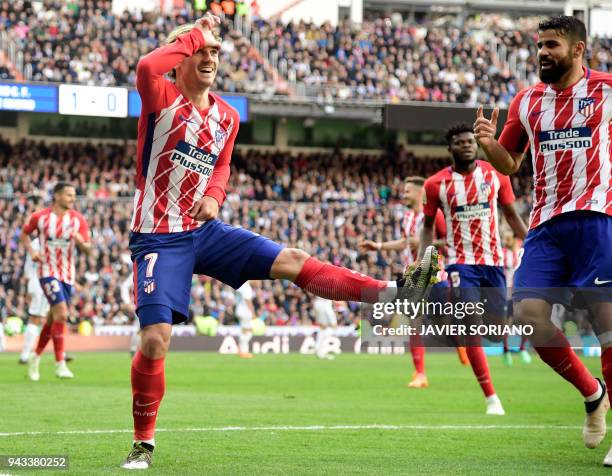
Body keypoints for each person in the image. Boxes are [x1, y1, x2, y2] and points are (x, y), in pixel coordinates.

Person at [121, 13, 435, 469]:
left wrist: (214, 194)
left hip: (204, 231)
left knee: (292, 258)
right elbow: (146, 67)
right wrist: (196, 33)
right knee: (155, 340)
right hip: (157, 237)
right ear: (182, 56)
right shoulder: (162, 96)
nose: (209, 58)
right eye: (200, 52)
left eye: (214, 52)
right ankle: (143, 442)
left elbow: (223, 165)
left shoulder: (227, 116)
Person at [473, 15, 611, 465]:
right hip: (546, 227)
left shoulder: (607, 90)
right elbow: (510, 163)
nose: (542, 53)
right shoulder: (527, 101)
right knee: (528, 317)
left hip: (598, 219)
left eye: (552, 45)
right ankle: (593, 394)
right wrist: (489, 144)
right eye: (538, 46)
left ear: (578, 49)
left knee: (608, 327)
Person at [419, 123, 528, 415]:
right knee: (471, 324)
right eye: (460, 142)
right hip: (460, 263)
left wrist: (534, 244)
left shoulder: (495, 175)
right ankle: (492, 398)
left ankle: (451, 327)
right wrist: (424, 263)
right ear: (450, 148)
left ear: (476, 145)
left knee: (495, 328)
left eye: (470, 141)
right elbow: (427, 228)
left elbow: (513, 217)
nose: (466, 145)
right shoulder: (435, 185)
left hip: (493, 262)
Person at [359, 176, 468, 389]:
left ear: (420, 193)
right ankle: (420, 374)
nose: (404, 194)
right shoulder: (408, 217)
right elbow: (405, 242)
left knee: (442, 322)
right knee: (414, 324)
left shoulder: (435, 215)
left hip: (435, 275)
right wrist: (379, 246)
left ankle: (460, 343)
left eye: (408, 191)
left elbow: (449, 241)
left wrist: (425, 242)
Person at [20, 182, 92, 381]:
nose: (72, 198)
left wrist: (81, 243)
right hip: (47, 271)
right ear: (57, 196)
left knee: (53, 319)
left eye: (74, 195)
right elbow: (24, 234)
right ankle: (60, 363)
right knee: (61, 312)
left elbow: (89, 248)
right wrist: (33, 252)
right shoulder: (40, 217)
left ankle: (35, 357)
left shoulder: (78, 220)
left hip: (67, 275)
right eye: (69, 194)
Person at [18, 238, 49, 364]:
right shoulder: (41, 243)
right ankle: (25, 355)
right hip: (41, 282)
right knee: (36, 318)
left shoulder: (35, 243)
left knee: (53, 316)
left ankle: (61, 352)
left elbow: (26, 271)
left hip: (35, 282)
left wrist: (26, 290)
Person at [501, 232, 530, 366]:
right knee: (506, 322)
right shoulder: (503, 253)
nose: (505, 240)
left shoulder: (521, 249)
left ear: (514, 238)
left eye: (508, 238)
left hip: (520, 292)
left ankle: (522, 349)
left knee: (526, 320)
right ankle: (506, 351)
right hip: (506, 293)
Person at [234, 281, 255, 358]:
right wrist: (253, 312)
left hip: (239, 309)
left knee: (243, 331)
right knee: (248, 331)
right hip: (245, 311)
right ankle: (244, 351)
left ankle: (240, 349)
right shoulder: (246, 287)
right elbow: (247, 300)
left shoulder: (240, 285)